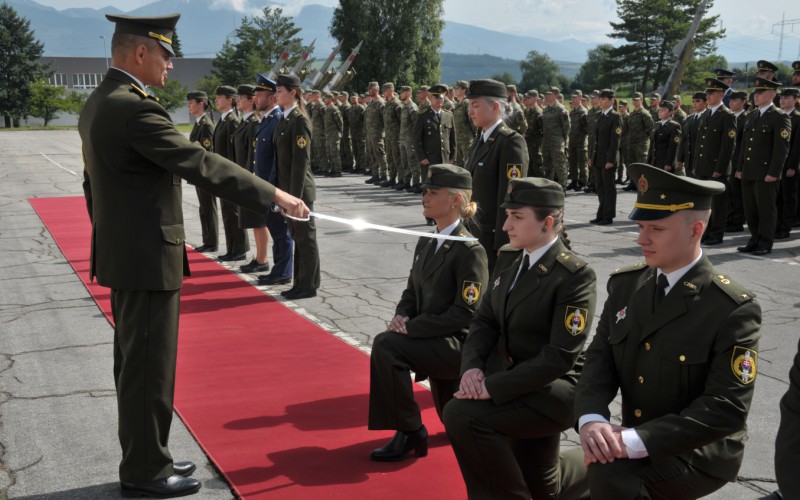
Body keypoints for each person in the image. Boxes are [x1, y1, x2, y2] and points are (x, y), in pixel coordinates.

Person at [79, 13, 308, 498]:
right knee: (148, 368)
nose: (170, 64)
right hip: (145, 256)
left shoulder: (100, 102)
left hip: (126, 251)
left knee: (137, 364)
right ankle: (145, 471)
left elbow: (91, 187)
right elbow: (198, 163)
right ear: (140, 53)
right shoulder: (135, 109)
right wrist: (275, 195)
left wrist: (109, 237)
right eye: (165, 54)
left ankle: (149, 455)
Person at [559, 162, 761, 500]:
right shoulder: (627, 284)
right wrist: (592, 419)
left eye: (656, 228)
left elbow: (726, 407)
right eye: (640, 226)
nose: (641, 239)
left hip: (697, 452)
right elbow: (599, 359)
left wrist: (635, 441)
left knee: (608, 473)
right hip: (631, 434)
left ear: (695, 230)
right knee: (557, 479)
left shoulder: (730, 306)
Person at [442, 177, 597, 499]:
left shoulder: (574, 274)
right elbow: (484, 321)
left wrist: (493, 387)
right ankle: (603, 463)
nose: (505, 225)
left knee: (462, 415)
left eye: (517, 217)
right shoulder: (512, 259)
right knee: (544, 487)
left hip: (553, 389)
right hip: (515, 383)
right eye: (507, 215)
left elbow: (560, 355)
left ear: (548, 223)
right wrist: (472, 368)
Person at [368, 164, 488, 461]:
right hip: (430, 340)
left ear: (456, 200)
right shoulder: (426, 242)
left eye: (433, 192)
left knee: (386, 345)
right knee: (455, 422)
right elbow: (412, 293)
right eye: (425, 191)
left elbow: (465, 314)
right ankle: (411, 430)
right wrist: (402, 316)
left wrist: (412, 328)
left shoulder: (469, 250)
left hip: (455, 346)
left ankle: (410, 432)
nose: (425, 197)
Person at [462, 79, 529, 272]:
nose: (470, 111)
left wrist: (504, 241)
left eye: (475, 105)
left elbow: (510, 197)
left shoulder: (509, 142)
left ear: (495, 106)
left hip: (492, 237)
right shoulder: (479, 141)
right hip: (473, 231)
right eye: (469, 105)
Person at [273, 74, 320, 300]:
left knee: (305, 238)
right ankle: (299, 282)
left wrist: (295, 198)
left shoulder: (299, 120)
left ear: (293, 92)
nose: (276, 95)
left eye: (280, 91)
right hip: (288, 191)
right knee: (298, 237)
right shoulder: (285, 118)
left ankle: (308, 284)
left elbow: (300, 163)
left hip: (299, 192)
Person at [735, 77, 791, 256]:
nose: (756, 96)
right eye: (755, 93)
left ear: (772, 94)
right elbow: (744, 145)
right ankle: (754, 239)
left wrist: (774, 172)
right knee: (750, 209)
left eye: (760, 93)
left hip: (766, 172)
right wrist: (739, 167)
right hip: (749, 170)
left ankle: (765, 242)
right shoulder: (752, 115)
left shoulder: (780, 117)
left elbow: (781, 148)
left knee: (766, 209)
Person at [251, 75, 294, 285]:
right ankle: (279, 268)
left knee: (281, 229)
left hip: (273, 185)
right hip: (265, 184)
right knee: (274, 227)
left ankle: (284, 271)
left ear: (272, 99)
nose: (256, 99)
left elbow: (277, 157)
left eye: (260, 95)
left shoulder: (277, 119)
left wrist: (274, 187)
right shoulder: (267, 120)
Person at [692, 78, 737, 246]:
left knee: (718, 205)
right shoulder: (706, 114)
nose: (708, 96)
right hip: (703, 167)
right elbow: (700, 143)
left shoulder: (727, 116)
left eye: (711, 93)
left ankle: (717, 234)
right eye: (707, 93)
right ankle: (706, 232)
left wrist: (720, 168)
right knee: (704, 204)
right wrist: (696, 164)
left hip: (716, 169)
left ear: (721, 94)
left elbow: (728, 146)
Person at [231, 83, 269, 274]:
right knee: (252, 221)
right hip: (242, 177)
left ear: (251, 100)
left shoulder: (254, 124)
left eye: (241, 98)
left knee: (258, 220)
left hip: (250, 178)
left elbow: (253, 156)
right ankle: (259, 257)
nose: (237, 101)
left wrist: (248, 179)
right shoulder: (245, 122)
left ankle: (262, 259)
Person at [213, 85, 249, 262]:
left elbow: (234, 152)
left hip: (229, 175)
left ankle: (239, 248)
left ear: (229, 99)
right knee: (227, 212)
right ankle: (232, 247)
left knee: (234, 213)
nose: (216, 100)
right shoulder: (222, 120)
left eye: (220, 97)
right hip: (222, 174)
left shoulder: (233, 121)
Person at [186, 90, 217, 253]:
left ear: (201, 104)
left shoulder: (206, 124)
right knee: (203, 208)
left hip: (204, 172)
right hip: (198, 173)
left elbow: (206, 152)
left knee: (208, 207)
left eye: (191, 103)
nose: (188, 106)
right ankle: (207, 240)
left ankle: (212, 241)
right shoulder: (200, 123)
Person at [589, 89, 622, 226]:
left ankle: (608, 216)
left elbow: (615, 141)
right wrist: (591, 156)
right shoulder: (598, 115)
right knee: (600, 187)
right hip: (597, 157)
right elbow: (593, 139)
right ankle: (601, 213)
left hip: (607, 159)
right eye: (600, 99)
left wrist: (611, 160)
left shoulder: (615, 117)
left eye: (603, 99)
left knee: (609, 188)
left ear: (612, 100)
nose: (601, 101)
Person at [413, 83, 456, 180]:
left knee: (444, 186)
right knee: (429, 186)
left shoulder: (448, 115)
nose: (439, 100)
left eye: (441, 97)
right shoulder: (423, 115)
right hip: (429, 158)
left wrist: (452, 157)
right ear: (430, 98)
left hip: (445, 158)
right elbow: (416, 139)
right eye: (436, 97)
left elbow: (452, 138)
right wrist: (422, 157)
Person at [776, 87, 800, 240]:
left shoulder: (797, 119)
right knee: (777, 198)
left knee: (788, 197)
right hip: (776, 165)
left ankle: (785, 227)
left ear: (796, 100)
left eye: (787, 98)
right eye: (781, 98)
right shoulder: (778, 117)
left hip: (789, 166)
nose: (782, 100)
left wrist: (792, 166)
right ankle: (777, 225)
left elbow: (797, 146)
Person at [541, 86, 570, 185]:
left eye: (550, 94)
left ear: (556, 95)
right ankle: (549, 186)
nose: (547, 96)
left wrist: (563, 141)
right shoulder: (545, 110)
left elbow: (566, 127)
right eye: (547, 94)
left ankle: (562, 187)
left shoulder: (561, 109)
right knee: (547, 166)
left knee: (560, 165)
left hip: (557, 142)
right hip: (546, 141)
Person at [647, 100, 681, 172]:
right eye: (660, 109)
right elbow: (652, 145)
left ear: (671, 112)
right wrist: (648, 161)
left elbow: (673, 147)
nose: (660, 111)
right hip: (654, 162)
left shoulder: (674, 126)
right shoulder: (657, 124)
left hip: (664, 163)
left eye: (664, 110)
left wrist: (668, 163)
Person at [567, 90, 589, 191]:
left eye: (575, 97)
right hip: (572, 141)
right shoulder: (572, 112)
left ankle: (583, 181)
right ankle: (574, 181)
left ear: (580, 98)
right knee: (572, 162)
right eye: (572, 97)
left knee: (582, 162)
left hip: (581, 142)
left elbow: (587, 128)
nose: (573, 99)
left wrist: (582, 136)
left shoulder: (583, 112)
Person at [453, 80, 476, 167]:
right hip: (457, 140)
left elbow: (473, 122)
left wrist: (474, 137)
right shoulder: (457, 104)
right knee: (458, 166)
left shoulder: (467, 103)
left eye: (457, 88)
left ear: (464, 90)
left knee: (468, 165)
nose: (455, 90)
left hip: (466, 140)